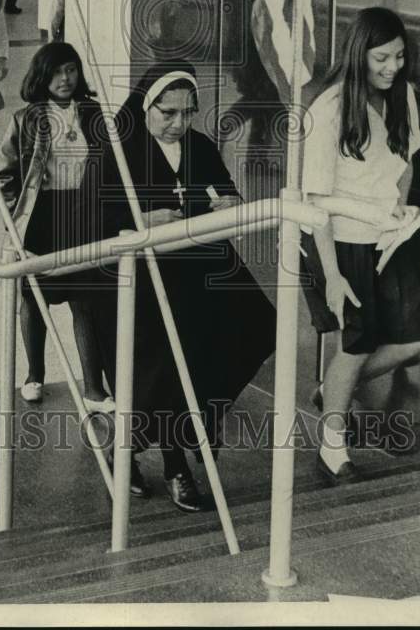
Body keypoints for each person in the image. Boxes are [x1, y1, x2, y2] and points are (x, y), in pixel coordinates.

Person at [90, 62, 277, 511]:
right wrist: (139, 220)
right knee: (168, 362)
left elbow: (226, 193)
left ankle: (195, 420)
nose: (179, 124)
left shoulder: (199, 145)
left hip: (201, 263)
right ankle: (174, 464)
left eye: (188, 113)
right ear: (145, 107)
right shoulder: (118, 150)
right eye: (167, 113)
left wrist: (230, 205)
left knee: (259, 325)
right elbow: (91, 219)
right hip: (143, 272)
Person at [299, 7, 420, 485]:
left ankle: (331, 388)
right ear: (360, 55)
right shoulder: (328, 109)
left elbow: (407, 161)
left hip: (390, 238)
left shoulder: (404, 97)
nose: (392, 67)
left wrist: (399, 204)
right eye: (382, 58)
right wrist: (331, 274)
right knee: (356, 345)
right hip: (343, 241)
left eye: (398, 56)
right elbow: (315, 202)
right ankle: (332, 449)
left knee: (413, 339)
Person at [0, 42, 113, 412]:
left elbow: (111, 166)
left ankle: (94, 388)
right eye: (57, 72)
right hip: (42, 215)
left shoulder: (93, 113)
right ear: (41, 76)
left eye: (71, 70)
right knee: (34, 297)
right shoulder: (27, 118)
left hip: (83, 214)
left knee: (85, 299)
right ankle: (34, 375)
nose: (65, 79)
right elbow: (7, 176)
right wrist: (14, 222)